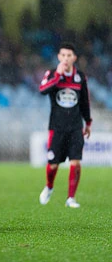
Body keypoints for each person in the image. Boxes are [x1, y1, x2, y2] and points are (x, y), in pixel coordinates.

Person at [39, 42, 92, 208]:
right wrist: (57, 77)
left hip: (76, 126)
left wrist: (88, 122)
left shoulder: (80, 77)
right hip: (57, 127)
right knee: (53, 164)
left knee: (75, 162)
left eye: (69, 55)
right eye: (63, 55)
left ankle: (71, 198)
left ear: (74, 58)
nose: (66, 58)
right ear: (59, 57)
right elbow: (42, 90)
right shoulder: (52, 73)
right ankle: (49, 186)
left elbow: (84, 101)